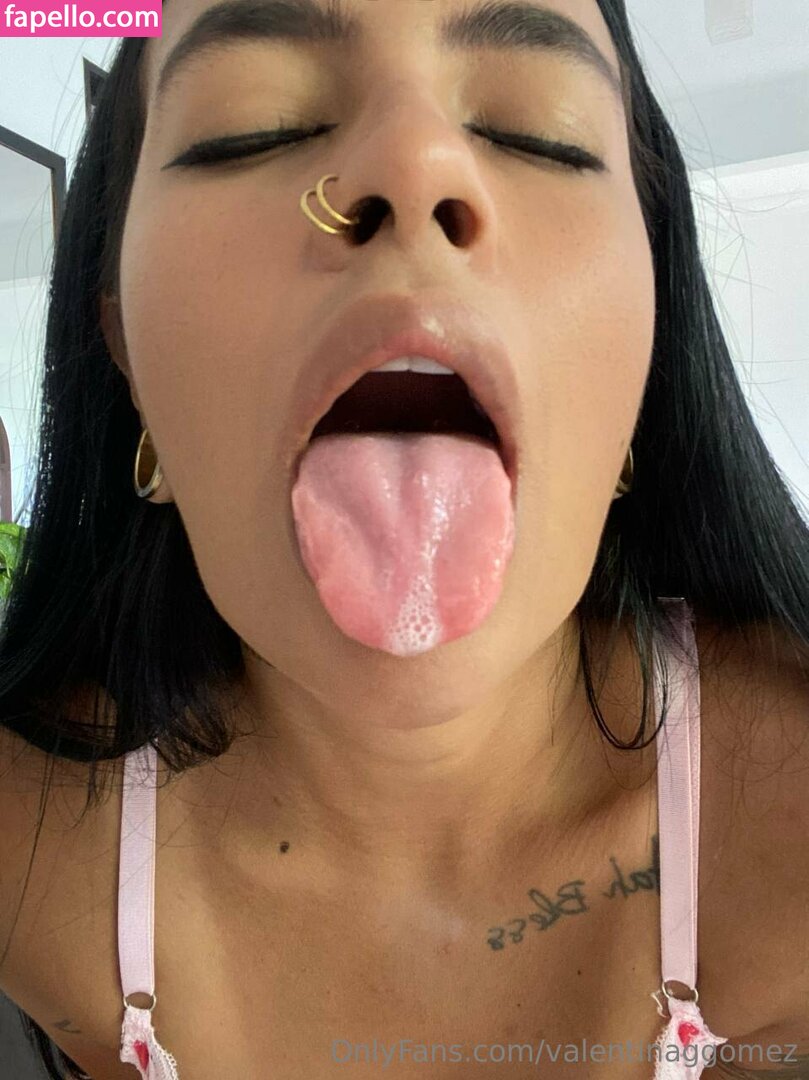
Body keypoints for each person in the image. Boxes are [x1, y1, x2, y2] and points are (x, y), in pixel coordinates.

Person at [1, 0, 808, 1077]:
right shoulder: (27, 856)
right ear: (127, 353)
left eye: (538, 134)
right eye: (252, 126)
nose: (412, 166)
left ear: (647, 351)